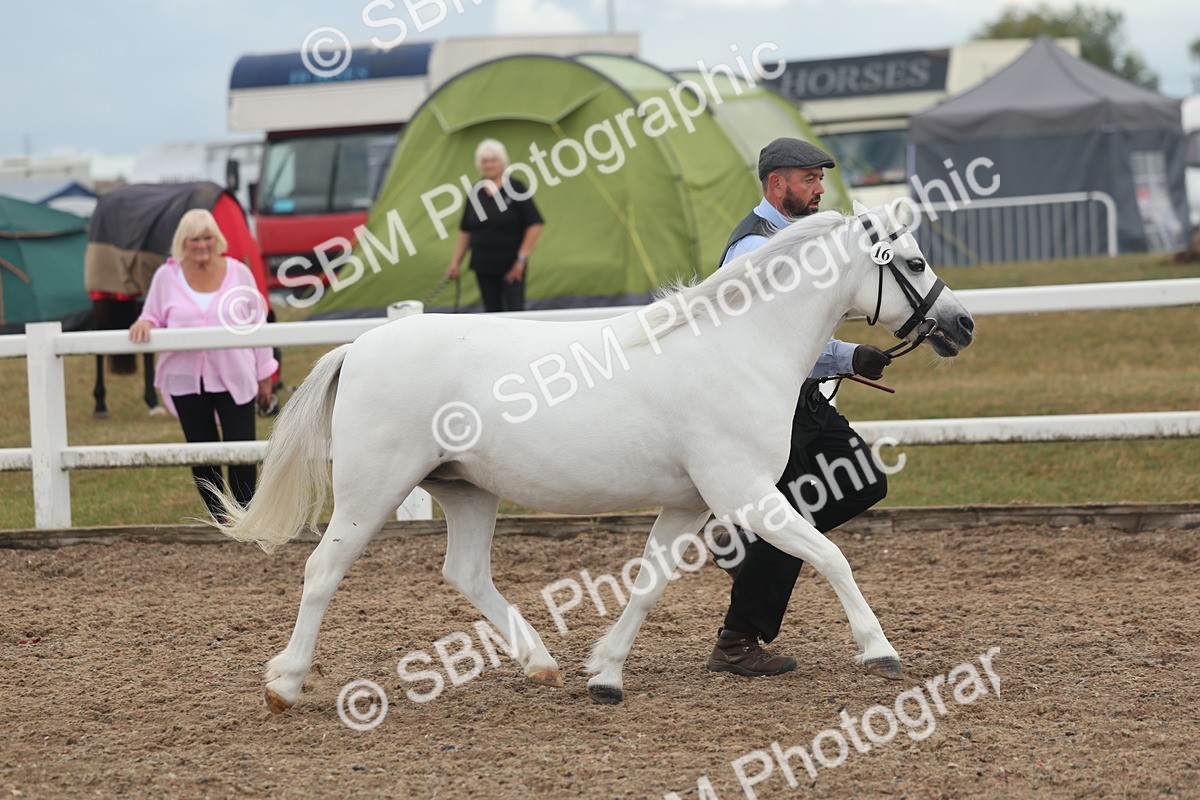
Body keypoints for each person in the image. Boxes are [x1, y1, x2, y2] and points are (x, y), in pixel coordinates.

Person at [707, 138, 895, 678]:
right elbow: (769, 338)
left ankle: (748, 546)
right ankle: (737, 641)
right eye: (808, 179)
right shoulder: (753, 250)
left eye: (819, 179)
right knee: (792, 516)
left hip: (802, 399)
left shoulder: (803, 240)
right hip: (769, 407)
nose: (818, 190)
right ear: (776, 184)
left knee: (862, 480)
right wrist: (845, 355)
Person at [129, 209, 277, 521]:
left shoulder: (239, 273)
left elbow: (257, 325)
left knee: (241, 451)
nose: (201, 245)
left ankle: (246, 518)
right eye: (194, 238)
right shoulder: (166, 277)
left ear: (217, 239)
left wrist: (265, 374)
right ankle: (220, 517)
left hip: (235, 374)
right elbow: (153, 314)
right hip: (186, 379)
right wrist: (143, 322)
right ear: (183, 242)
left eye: (207, 237)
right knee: (201, 451)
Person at [445, 139, 545, 312]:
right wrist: (455, 262)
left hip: (511, 266)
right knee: (491, 313)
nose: (489, 165)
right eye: (485, 161)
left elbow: (535, 224)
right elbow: (465, 231)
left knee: (515, 312)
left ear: (502, 162)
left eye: (493, 160)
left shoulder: (516, 188)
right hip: (483, 265)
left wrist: (521, 260)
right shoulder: (475, 192)